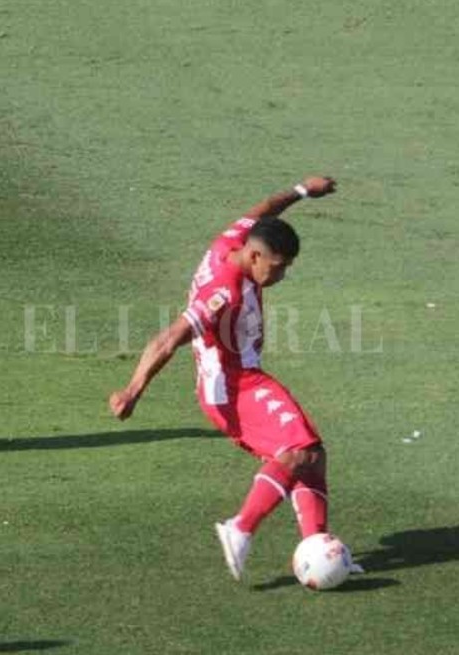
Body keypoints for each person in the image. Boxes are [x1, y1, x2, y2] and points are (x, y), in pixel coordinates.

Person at [109, 176, 362, 581]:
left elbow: (264, 210)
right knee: (299, 451)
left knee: (312, 457)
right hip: (234, 387)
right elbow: (169, 338)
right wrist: (133, 390)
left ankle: (318, 547)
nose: (281, 277)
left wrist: (301, 191)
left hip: (242, 380)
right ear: (257, 257)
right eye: (278, 268)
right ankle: (239, 529)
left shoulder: (236, 241)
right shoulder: (223, 291)